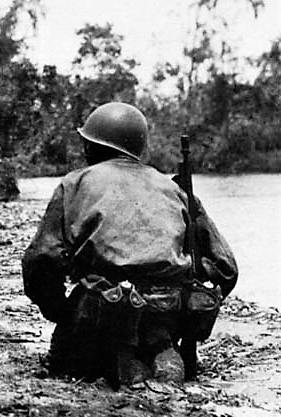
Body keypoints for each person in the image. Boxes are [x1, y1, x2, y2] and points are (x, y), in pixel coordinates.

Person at [21, 102, 237, 388]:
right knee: (156, 329)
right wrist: (188, 276)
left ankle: (123, 357)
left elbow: (41, 261)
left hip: (104, 310)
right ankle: (159, 348)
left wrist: (59, 310)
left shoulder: (74, 184)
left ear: (92, 147)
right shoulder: (174, 189)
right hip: (168, 308)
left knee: (65, 356)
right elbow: (226, 269)